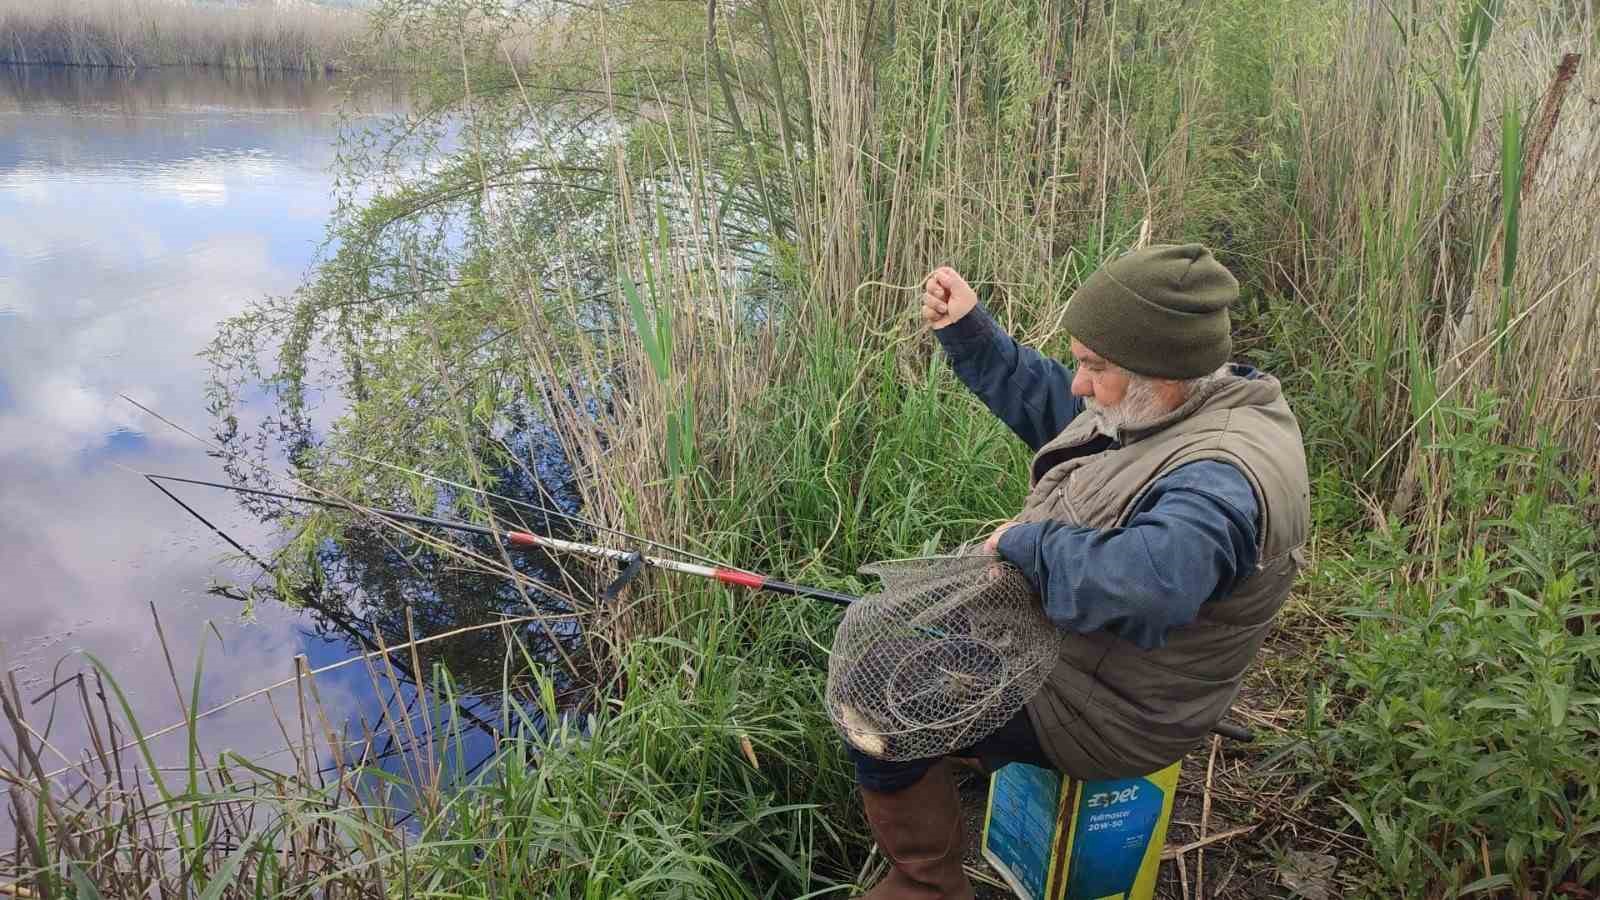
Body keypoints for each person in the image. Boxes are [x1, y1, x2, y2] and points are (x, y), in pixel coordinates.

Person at [845, 244, 1310, 899]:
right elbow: (1071, 420)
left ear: (1162, 370)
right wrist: (973, 336)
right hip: (1084, 661)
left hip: (1111, 711)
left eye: (1094, 365)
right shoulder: (1173, 402)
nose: (1079, 383)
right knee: (927, 629)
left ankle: (927, 884)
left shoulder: (1222, 480)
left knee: (876, 696)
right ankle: (968, 754)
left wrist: (1030, 546)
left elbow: (1154, 585)